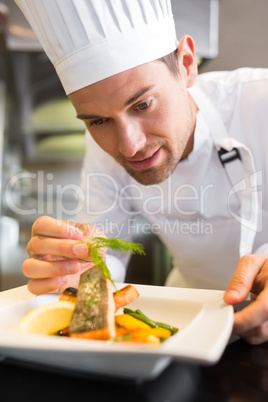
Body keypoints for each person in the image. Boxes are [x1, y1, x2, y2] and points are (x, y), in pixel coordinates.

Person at [14, 0, 268, 345]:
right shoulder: (107, 148)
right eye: (98, 121)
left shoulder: (259, 101)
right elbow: (104, 252)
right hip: (188, 326)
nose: (129, 146)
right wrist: (72, 268)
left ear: (187, 65)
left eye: (143, 104)